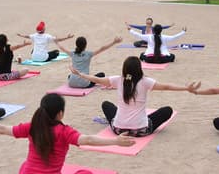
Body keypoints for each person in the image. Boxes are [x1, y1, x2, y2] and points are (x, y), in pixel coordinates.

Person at [0, 93, 135, 174]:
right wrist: (116, 141)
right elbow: (87, 139)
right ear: (60, 113)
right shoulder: (64, 131)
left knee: (26, 165)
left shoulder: (32, 126)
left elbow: (3, 129)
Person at [70, 56, 200, 137]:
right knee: (167, 110)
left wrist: (80, 74)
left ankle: (126, 122)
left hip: (118, 130)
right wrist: (186, 88)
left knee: (106, 105)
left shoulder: (118, 80)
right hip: (141, 130)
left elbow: (97, 79)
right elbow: (166, 87)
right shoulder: (145, 81)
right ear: (139, 69)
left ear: (124, 69)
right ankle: (137, 122)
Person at [54, 36, 122, 88]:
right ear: (85, 45)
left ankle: (75, 80)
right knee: (101, 74)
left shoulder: (73, 53)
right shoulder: (88, 54)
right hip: (85, 84)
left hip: (71, 83)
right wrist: (114, 42)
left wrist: (56, 42)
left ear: (76, 45)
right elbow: (102, 48)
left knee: (70, 76)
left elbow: (62, 48)